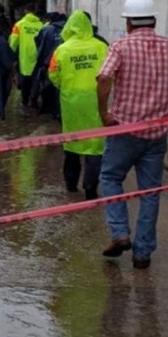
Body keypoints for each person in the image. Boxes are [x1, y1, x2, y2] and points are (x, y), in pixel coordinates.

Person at [96, 0, 168, 269]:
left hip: (124, 132)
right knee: (150, 193)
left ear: (129, 22)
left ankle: (120, 232)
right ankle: (142, 252)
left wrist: (104, 113)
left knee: (109, 177)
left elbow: (105, 78)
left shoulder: (120, 46)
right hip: (157, 135)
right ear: (153, 20)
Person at [48, 11, 109, 199]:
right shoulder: (102, 47)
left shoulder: (62, 50)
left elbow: (53, 75)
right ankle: (91, 188)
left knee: (72, 144)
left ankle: (71, 185)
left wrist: (66, 86)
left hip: (71, 102)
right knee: (95, 146)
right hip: (96, 101)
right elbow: (110, 72)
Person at [9, 3, 44, 106]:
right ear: (34, 11)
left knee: (25, 79)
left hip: (24, 57)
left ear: (25, 11)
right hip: (37, 55)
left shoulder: (19, 24)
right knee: (36, 79)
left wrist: (10, 56)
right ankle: (33, 100)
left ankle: (25, 100)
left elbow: (14, 42)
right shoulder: (41, 25)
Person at [34, 12, 67, 118]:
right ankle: (58, 113)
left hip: (48, 64)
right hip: (65, 66)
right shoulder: (69, 30)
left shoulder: (46, 30)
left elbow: (40, 46)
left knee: (48, 89)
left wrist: (40, 63)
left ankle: (52, 111)